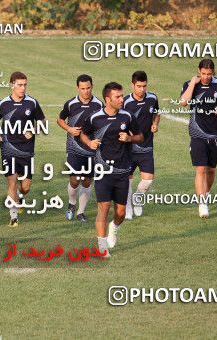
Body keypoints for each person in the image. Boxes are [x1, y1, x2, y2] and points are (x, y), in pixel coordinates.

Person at [80, 82, 143, 257]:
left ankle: (113, 228)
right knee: (104, 207)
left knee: (121, 213)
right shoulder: (95, 118)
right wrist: (89, 142)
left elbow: (140, 136)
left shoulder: (127, 117)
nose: (122, 99)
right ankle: (102, 246)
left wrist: (129, 138)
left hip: (123, 172)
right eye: (118, 97)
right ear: (108, 99)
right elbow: (83, 133)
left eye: (122, 96)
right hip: (103, 171)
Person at [180, 59, 217, 218]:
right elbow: (183, 102)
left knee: (211, 170)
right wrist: (192, 83)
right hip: (197, 133)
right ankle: (202, 203)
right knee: (201, 169)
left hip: (215, 134)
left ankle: (205, 194)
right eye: (203, 74)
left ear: (213, 72)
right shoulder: (189, 84)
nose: (205, 77)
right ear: (198, 71)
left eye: (209, 74)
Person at [0, 71, 45, 227]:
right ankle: (13, 216)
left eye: (25, 85)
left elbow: (42, 122)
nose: (23, 88)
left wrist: (33, 130)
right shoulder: (3, 104)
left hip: (26, 150)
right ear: (12, 85)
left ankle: (21, 198)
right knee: (12, 183)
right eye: (20, 85)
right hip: (8, 149)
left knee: (25, 187)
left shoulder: (32, 103)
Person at [57, 74, 103, 222]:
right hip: (73, 148)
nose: (86, 91)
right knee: (75, 180)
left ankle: (80, 212)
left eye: (88, 88)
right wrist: (69, 129)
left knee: (87, 181)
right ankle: (72, 203)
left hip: (91, 150)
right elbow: (59, 119)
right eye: (83, 88)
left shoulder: (98, 104)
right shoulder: (71, 104)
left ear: (92, 87)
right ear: (78, 88)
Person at [123, 71, 160, 220]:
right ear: (132, 85)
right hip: (129, 149)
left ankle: (137, 200)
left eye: (144, 86)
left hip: (146, 147)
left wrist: (155, 124)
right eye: (138, 86)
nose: (142, 89)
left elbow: (156, 113)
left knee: (148, 180)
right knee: (127, 179)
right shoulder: (125, 102)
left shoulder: (152, 98)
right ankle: (127, 207)